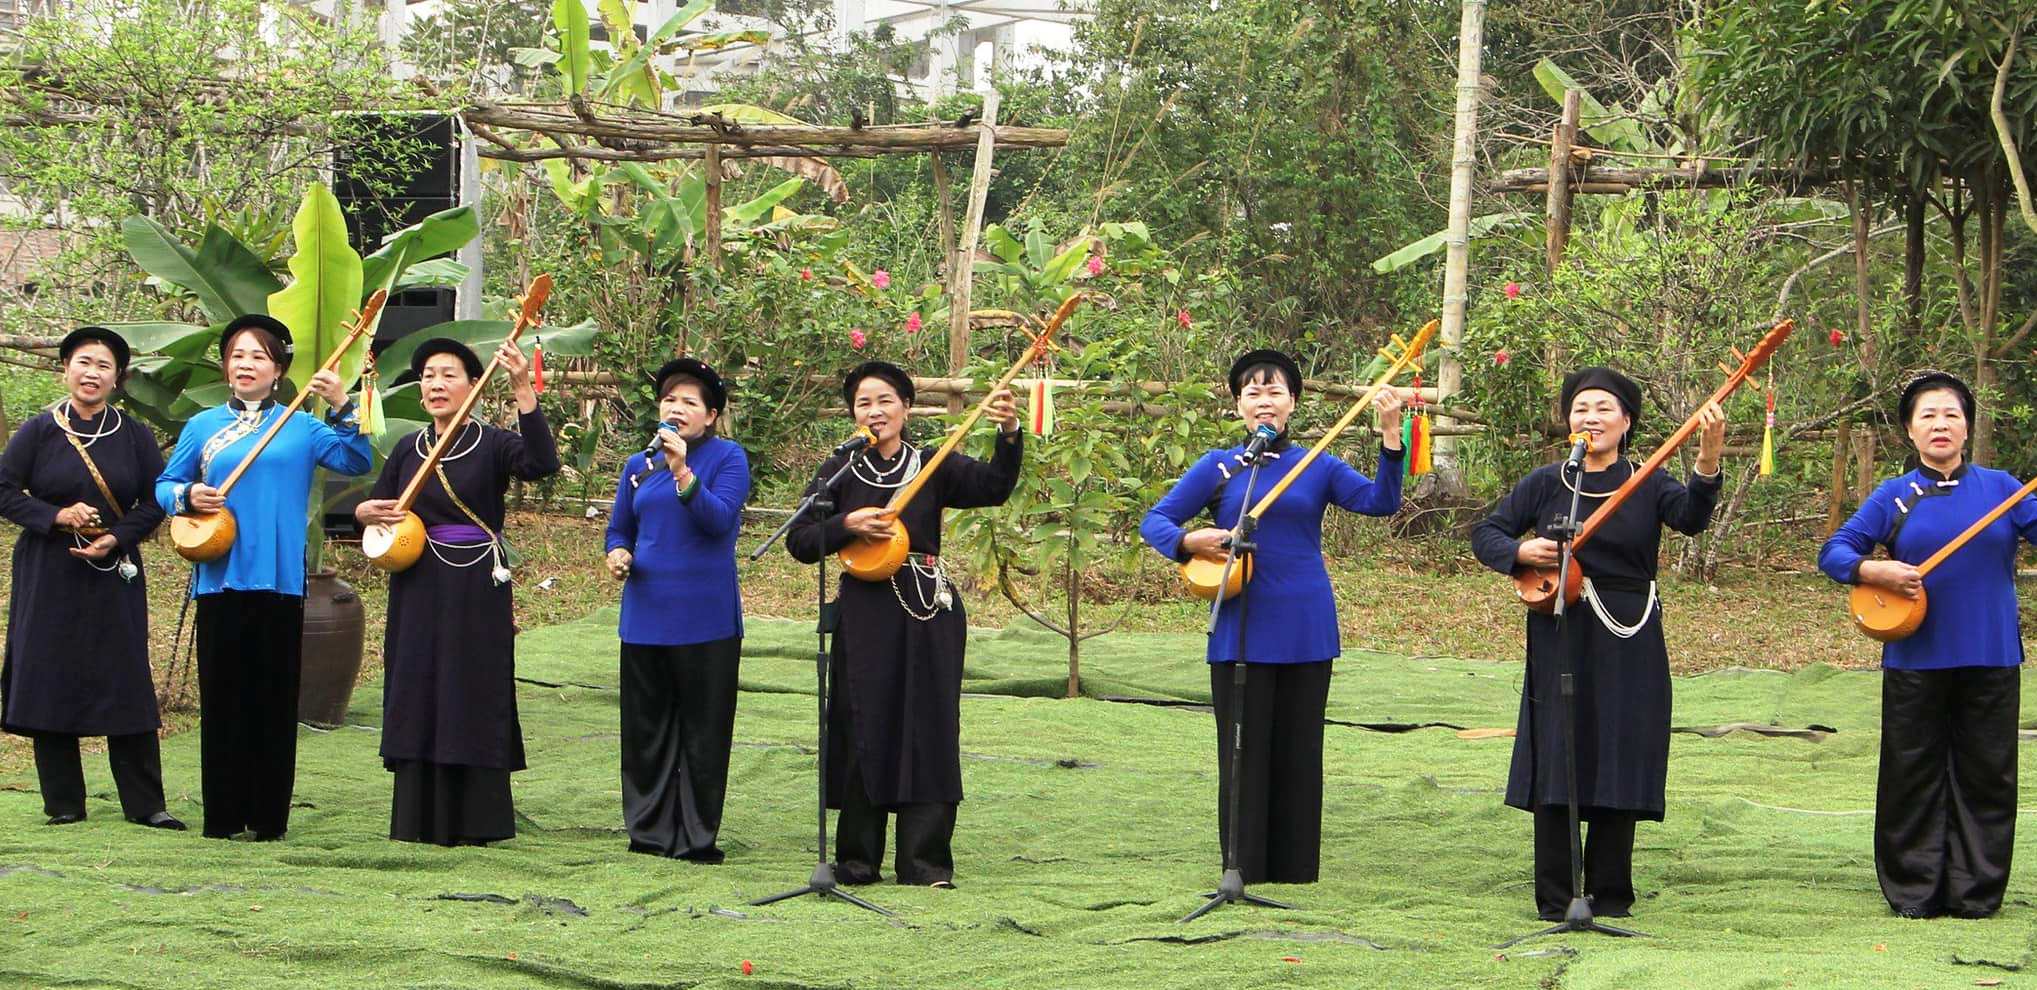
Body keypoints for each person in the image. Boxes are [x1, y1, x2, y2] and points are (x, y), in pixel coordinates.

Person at [1139, 349, 1405, 885]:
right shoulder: (1218, 465)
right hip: (1239, 622)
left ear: (1292, 404)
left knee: (1300, 749)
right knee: (1242, 751)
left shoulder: (1318, 464)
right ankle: (1243, 867)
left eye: (1275, 391)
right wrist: (1191, 541)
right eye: (1253, 392)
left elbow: (1380, 502)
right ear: (1238, 404)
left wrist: (1391, 435)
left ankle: (1295, 868)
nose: (1265, 400)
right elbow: (1156, 521)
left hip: (1306, 620)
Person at [1469, 366, 1724, 921]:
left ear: (1626, 421)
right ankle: (1558, 896)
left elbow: (1692, 518)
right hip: (1560, 628)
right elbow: (1486, 532)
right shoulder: (1545, 482)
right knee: (1561, 745)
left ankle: (1609, 895)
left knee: (1619, 747)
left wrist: (1706, 460)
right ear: (1568, 421)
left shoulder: (1650, 480)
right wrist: (1522, 552)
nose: (1592, 417)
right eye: (1581, 407)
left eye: (1605, 408)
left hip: (1629, 632)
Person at [784, 361, 1021, 888]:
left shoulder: (931, 465)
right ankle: (857, 859)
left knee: (929, 726)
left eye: (886, 400)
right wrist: (846, 524)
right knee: (863, 721)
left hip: (925, 609)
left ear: (907, 408)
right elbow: (800, 541)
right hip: (864, 614)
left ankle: (925, 861)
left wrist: (1008, 434)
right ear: (853, 413)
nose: (876, 411)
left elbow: (995, 485)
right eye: (864, 403)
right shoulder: (839, 470)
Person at [1819, 372, 2031, 919]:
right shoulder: (1895, 494)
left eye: (1951, 415)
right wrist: (1875, 569)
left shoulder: (2005, 488)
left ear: (1967, 428)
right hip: (1916, 656)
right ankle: (1913, 888)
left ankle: (1975, 891)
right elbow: (1835, 551)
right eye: (1928, 416)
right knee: (1911, 770)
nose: (1941, 424)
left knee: (1988, 773)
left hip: (1991, 654)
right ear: (1910, 432)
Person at [155, 313, 371, 840]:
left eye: (258, 356)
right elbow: (166, 483)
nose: (246, 364)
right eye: (237, 356)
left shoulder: (301, 425)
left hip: (280, 582)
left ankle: (269, 818)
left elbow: (356, 459)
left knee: (274, 701)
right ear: (227, 368)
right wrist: (187, 496)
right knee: (224, 700)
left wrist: (343, 403)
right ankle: (224, 816)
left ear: (278, 369)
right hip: (220, 577)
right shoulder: (202, 425)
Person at [354, 338, 559, 846]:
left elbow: (541, 463)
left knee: (472, 684)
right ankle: (418, 816)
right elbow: (379, 504)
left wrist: (522, 392)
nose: (436, 384)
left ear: (472, 385)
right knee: (418, 682)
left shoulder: (492, 443)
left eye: (448, 374)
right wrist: (364, 513)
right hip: (418, 583)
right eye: (428, 375)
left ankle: (476, 819)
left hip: (474, 584)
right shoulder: (408, 448)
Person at [0, 327, 180, 829]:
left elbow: (156, 500)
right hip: (49, 571)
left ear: (117, 378)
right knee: (49, 674)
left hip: (112, 571)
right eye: (83, 362)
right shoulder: (38, 431)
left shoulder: (135, 435)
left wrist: (117, 537)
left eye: (103, 366)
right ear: (65, 368)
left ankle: (147, 805)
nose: (91, 373)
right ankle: (63, 803)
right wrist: (55, 516)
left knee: (125, 677)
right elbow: (4, 490)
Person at [605, 357, 751, 861]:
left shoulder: (728, 458)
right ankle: (648, 830)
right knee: (645, 728)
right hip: (645, 613)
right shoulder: (636, 466)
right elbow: (620, 528)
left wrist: (682, 469)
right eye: (670, 400)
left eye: (690, 402)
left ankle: (695, 835)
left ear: (710, 416)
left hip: (704, 617)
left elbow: (718, 520)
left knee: (703, 730)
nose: (677, 408)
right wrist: (617, 553)